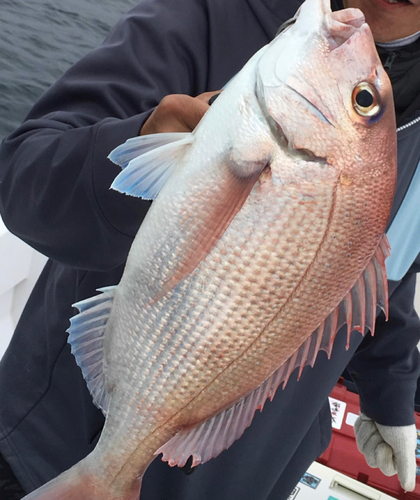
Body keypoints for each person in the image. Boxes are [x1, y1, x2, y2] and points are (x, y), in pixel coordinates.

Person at [0, 0, 420, 499]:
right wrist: (136, 148)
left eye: (363, 99)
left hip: (251, 481)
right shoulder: (205, 16)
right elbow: (25, 181)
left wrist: (390, 393)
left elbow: (382, 273)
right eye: (364, 100)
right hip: (56, 449)